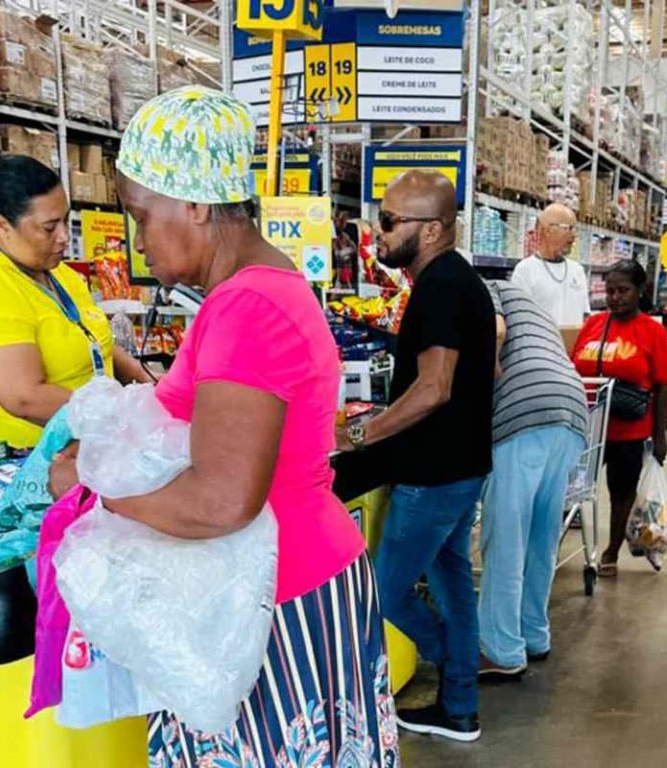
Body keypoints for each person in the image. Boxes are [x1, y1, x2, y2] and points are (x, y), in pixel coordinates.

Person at [50, 88, 398, 765]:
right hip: (287, 583)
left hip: (273, 603)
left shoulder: (247, 308)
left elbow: (221, 501)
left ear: (196, 204)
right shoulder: (264, 288)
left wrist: (93, 487)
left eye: (141, 215)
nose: (137, 238)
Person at [335, 170, 496, 742]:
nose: (378, 232)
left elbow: (435, 387)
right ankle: (460, 709)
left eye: (388, 221)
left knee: (384, 589)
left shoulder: (442, 286)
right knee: (453, 584)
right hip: (461, 466)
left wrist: (358, 436)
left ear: (430, 230)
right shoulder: (457, 282)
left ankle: (452, 667)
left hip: (433, 476)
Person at [0, 148, 151, 450]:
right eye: (50, 227)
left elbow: (98, 345)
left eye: (65, 220)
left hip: (93, 443)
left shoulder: (58, 273)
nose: (64, 236)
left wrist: (155, 388)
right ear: (2, 225)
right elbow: (25, 397)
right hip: (30, 456)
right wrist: (122, 417)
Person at [478, 279, 588, 678]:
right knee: (541, 534)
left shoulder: (482, 285)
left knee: (505, 536)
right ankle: (534, 634)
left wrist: (486, 375)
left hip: (525, 410)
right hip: (571, 408)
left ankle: (501, 650)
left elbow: (496, 330)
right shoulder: (531, 305)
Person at [571, 260, 667, 576]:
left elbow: (662, 386)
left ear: (640, 291)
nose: (615, 297)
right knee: (570, 489)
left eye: (623, 290)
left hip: (628, 430)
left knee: (621, 490)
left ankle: (611, 551)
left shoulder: (653, 332)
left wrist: (660, 436)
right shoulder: (594, 325)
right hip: (585, 426)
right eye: (610, 291)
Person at [511, 204, 590, 327]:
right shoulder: (525, 270)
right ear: (547, 230)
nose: (574, 235)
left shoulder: (577, 270)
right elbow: (519, 320)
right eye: (568, 228)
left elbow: (585, 316)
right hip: (540, 345)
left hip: (573, 345)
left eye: (575, 229)